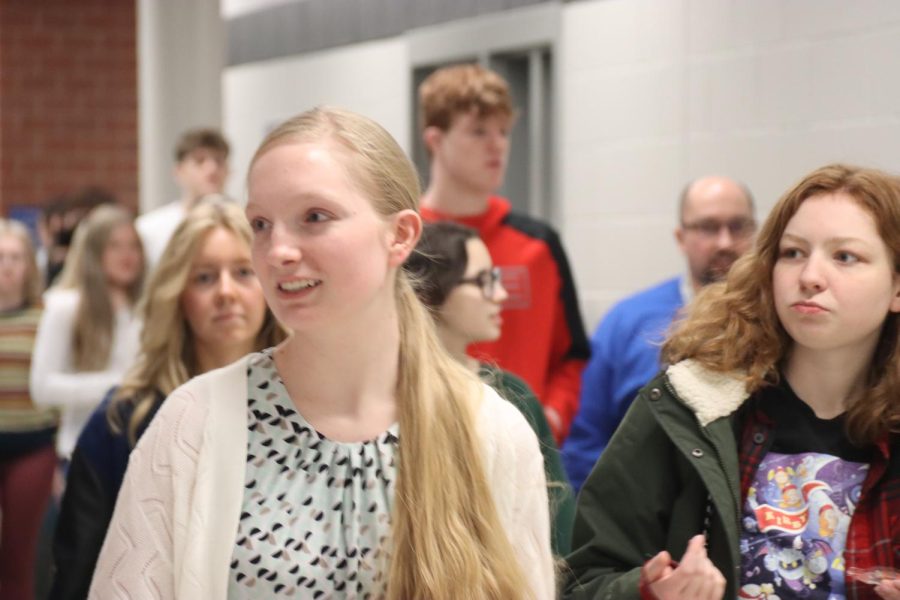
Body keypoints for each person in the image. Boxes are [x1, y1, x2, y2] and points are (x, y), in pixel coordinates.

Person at [89, 106, 554, 599]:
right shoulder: (194, 424)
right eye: (262, 224)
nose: (278, 251)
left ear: (400, 235)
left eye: (314, 217)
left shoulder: (490, 433)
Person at [564, 164, 900, 600]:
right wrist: (650, 592)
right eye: (793, 252)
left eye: (845, 257)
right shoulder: (690, 404)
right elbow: (582, 583)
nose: (809, 276)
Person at [50, 199, 285, 600]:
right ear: (178, 294)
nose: (226, 292)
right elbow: (78, 574)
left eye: (244, 272)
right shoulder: (122, 419)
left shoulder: (301, 406)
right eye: (205, 278)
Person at [418, 63, 590, 441]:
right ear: (435, 140)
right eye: (478, 131)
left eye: (503, 131)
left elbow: (572, 356)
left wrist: (552, 418)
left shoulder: (538, 243)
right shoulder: (406, 240)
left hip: (524, 446)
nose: (496, 145)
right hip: (430, 444)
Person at [562, 176, 756, 491]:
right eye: (708, 227)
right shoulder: (627, 322)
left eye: (738, 226)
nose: (724, 242)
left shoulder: (779, 323)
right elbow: (586, 443)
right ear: (681, 237)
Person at [405, 220, 576, 555]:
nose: (500, 294)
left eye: (496, 279)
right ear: (433, 289)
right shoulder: (391, 394)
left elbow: (559, 527)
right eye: (484, 281)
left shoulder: (512, 393)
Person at [30, 204, 144, 461]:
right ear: (95, 251)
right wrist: (120, 385)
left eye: (133, 245)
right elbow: (42, 387)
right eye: (115, 245)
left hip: (138, 450)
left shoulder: (146, 307)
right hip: (82, 449)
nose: (127, 255)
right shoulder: (64, 306)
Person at [0, 219, 58, 600]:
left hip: (33, 446)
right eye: (0, 256)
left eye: (16, 256)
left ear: (29, 265)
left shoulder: (47, 316)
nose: (6, 265)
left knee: (18, 558)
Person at [136, 127, 230, 270]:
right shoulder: (148, 229)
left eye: (219, 161)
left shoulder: (246, 226)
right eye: (199, 161)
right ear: (179, 171)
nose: (212, 169)